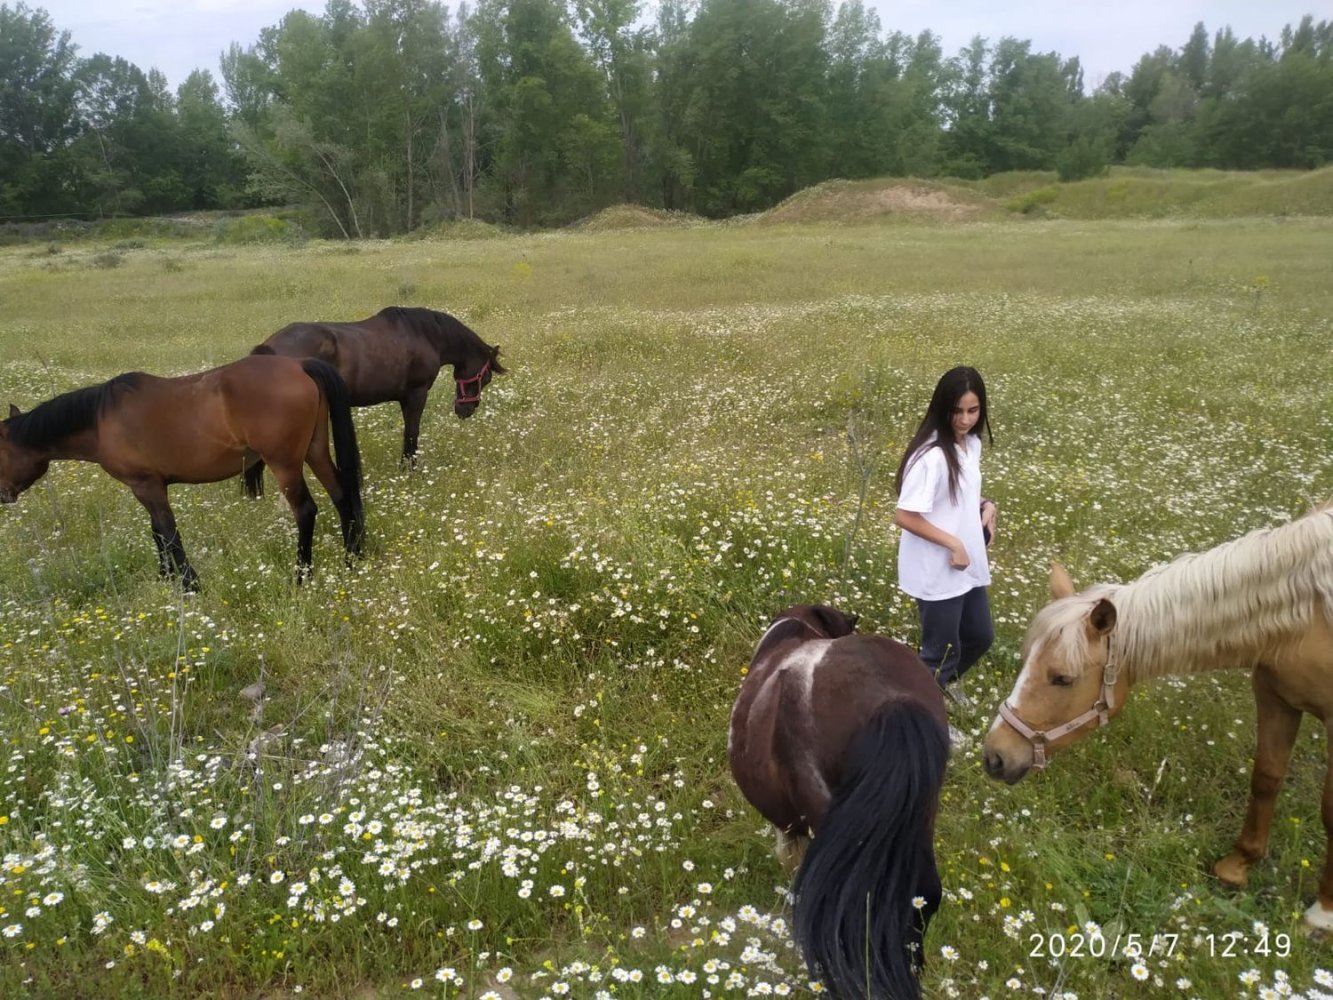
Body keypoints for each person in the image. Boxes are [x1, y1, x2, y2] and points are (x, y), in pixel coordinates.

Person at [893, 366, 996, 711]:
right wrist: (953, 543)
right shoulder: (931, 456)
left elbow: (960, 494)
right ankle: (928, 712)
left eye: (973, 410)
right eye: (957, 411)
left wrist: (987, 506)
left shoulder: (971, 446)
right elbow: (904, 515)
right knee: (939, 652)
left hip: (966, 565)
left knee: (981, 637)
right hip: (937, 567)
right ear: (942, 407)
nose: (965, 420)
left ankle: (943, 688)